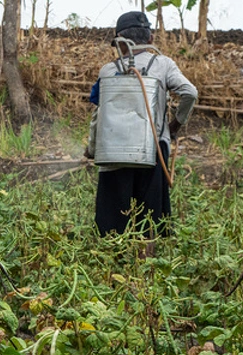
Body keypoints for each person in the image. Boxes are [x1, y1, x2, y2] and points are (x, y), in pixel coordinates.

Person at [84, 11, 198, 246]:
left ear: (120, 42)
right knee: (150, 215)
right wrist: (175, 125)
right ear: (151, 38)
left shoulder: (108, 71)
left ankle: (112, 265)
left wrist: (92, 148)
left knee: (112, 216)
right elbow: (190, 92)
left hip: (113, 153)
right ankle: (147, 267)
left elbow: (98, 115)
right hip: (152, 151)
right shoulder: (163, 64)